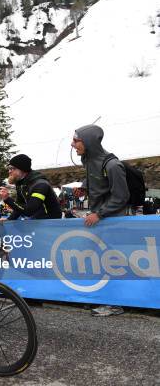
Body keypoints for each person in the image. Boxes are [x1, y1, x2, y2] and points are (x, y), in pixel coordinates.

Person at [72, 124, 129, 317]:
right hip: (100, 221)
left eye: (76, 140)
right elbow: (96, 180)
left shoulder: (112, 165)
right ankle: (103, 298)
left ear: (88, 141)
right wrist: (84, 186)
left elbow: (121, 196)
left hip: (112, 221)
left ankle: (115, 305)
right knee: (98, 261)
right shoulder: (88, 161)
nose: (73, 144)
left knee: (113, 262)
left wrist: (99, 214)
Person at [0, 154, 61, 220]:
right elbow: (19, 206)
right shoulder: (21, 184)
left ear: (22, 169)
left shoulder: (40, 184)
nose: (9, 171)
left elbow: (29, 211)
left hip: (51, 222)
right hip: (37, 221)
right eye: (9, 168)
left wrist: (7, 199)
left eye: (11, 168)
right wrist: (9, 219)